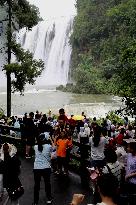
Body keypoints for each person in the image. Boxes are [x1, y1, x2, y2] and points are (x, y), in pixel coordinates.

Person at [33, 133, 54, 205]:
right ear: (46, 139)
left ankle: (35, 202)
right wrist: (51, 140)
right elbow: (54, 149)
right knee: (47, 184)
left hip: (36, 167)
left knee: (36, 185)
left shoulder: (35, 147)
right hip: (46, 167)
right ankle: (49, 199)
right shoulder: (48, 146)